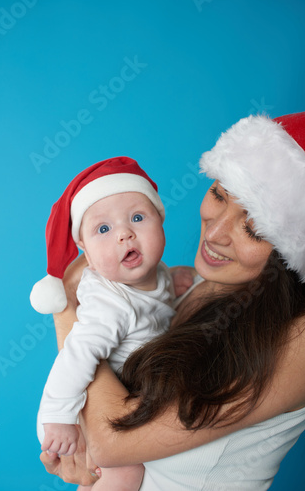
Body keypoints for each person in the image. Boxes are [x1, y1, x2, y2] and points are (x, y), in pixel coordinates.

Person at [40, 110, 305, 490]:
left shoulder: (304, 335)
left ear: (294, 248)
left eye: (254, 227)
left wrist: (69, 310)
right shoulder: (191, 284)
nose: (215, 233)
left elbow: (111, 441)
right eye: (219, 193)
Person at [30, 157, 193, 491]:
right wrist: (59, 418)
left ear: (161, 222)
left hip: (118, 397)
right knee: (125, 473)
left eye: (137, 217)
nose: (124, 234)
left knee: (96, 480)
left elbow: (156, 298)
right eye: (103, 229)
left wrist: (174, 281)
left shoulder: (154, 272)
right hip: (76, 406)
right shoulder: (110, 305)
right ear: (86, 255)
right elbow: (75, 356)